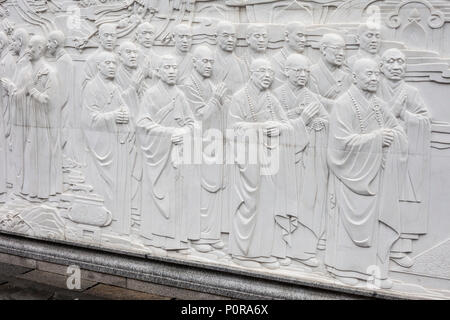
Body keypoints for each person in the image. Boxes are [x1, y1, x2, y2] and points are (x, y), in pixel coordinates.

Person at [326, 58, 408, 289]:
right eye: (368, 74)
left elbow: (398, 130)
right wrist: (377, 139)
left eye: (376, 74)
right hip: (350, 177)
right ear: (354, 77)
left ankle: (376, 271)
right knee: (347, 226)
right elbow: (339, 145)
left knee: (376, 227)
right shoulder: (343, 104)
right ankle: (343, 269)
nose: (374, 78)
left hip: (375, 177)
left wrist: (391, 138)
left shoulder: (378, 105)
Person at [228, 58, 297, 270]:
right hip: (246, 163)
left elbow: (287, 126)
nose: (267, 75)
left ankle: (264, 252)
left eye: (270, 72)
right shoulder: (239, 98)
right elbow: (232, 128)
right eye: (263, 71)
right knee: (248, 206)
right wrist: (260, 127)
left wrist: (278, 128)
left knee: (267, 205)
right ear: (252, 73)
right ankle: (242, 252)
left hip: (268, 161)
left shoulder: (271, 99)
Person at [137, 55, 200, 254]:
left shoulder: (179, 95)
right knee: (160, 195)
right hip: (158, 153)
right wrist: (168, 133)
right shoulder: (151, 95)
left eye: (174, 67)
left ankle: (177, 240)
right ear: (158, 71)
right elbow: (142, 123)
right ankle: (155, 239)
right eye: (167, 67)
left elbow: (192, 122)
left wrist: (186, 132)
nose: (172, 71)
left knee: (178, 198)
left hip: (177, 156)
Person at [378, 48, 432, 268]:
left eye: (400, 62)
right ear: (381, 66)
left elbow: (425, 119)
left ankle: (399, 249)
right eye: (390, 62)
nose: (396, 66)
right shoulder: (374, 88)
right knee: (378, 199)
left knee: (402, 199)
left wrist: (404, 115)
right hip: (377, 152)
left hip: (403, 154)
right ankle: (375, 247)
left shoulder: (410, 92)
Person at [274, 54, 329, 267]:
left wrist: (319, 125)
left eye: (306, 71)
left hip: (308, 162)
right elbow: (272, 125)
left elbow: (326, 121)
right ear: (286, 71)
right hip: (283, 162)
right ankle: (280, 248)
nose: (302, 75)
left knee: (307, 204)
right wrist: (300, 119)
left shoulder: (311, 98)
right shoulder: (276, 95)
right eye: (297, 70)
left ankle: (303, 251)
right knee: (283, 203)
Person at [82, 51, 135, 235]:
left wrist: (125, 115)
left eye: (114, 63)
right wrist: (114, 116)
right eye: (108, 63)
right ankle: (102, 220)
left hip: (116, 144)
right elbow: (89, 119)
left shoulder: (115, 88)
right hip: (101, 145)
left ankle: (119, 223)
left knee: (119, 183)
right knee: (102, 186)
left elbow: (124, 109)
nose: (113, 66)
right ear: (99, 66)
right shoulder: (91, 88)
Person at [182, 46, 228, 253]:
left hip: (214, 143)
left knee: (214, 189)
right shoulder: (188, 85)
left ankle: (211, 234)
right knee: (199, 191)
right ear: (195, 62)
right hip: (198, 145)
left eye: (211, 62)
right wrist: (216, 99)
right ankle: (197, 235)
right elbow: (199, 116)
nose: (209, 65)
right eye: (205, 61)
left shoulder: (211, 84)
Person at [20, 35, 60, 201]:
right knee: (30, 155)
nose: (28, 50)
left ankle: (42, 192)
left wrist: (32, 89)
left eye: (31, 47)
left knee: (42, 155)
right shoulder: (26, 71)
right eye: (28, 47)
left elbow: (48, 100)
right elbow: (23, 94)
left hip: (43, 123)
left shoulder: (50, 72)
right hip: (29, 121)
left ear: (40, 49)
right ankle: (31, 191)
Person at [0, 28, 30, 193]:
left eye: (14, 41)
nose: (12, 45)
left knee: (10, 144)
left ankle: (12, 181)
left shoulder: (9, 61)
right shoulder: (8, 59)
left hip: (10, 107)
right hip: (8, 105)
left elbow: (13, 85)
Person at [310, 33, 351, 104]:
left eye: (344, 49)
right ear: (323, 49)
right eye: (337, 48)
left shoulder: (346, 77)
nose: (342, 53)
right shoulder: (310, 73)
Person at [272, 22, 307, 87]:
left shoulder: (306, 60)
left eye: (305, 36)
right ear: (287, 36)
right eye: (300, 35)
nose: (304, 40)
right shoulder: (276, 61)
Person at [83, 23, 117, 88]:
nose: (109, 39)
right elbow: (86, 87)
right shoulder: (91, 60)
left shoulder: (117, 58)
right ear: (99, 38)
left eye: (112, 35)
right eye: (106, 35)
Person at [135, 22, 160, 93]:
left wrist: (151, 73)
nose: (147, 37)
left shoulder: (158, 59)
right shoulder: (132, 58)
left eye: (151, 34)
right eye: (144, 33)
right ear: (137, 35)